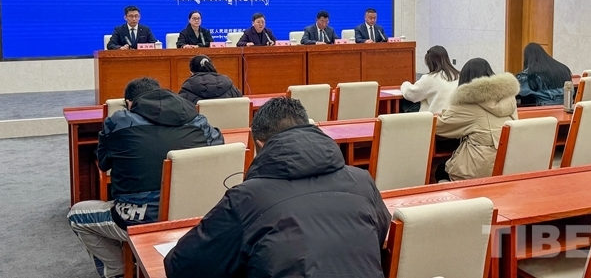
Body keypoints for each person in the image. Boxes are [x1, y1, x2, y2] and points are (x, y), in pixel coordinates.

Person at [164, 97, 391, 278]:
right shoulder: (362, 180)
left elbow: (182, 266)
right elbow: (380, 233)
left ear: (260, 145)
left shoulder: (247, 199)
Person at [67, 77, 223, 278]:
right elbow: (217, 151)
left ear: (129, 103)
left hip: (139, 219)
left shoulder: (118, 122)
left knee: (76, 215)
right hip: (195, 215)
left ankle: (119, 271)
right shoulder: (198, 121)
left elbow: (103, 164)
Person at [435, 58, 519, 181]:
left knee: (440, 170)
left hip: (480, 169)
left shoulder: (468, 103)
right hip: (509, 164)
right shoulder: (509, 99)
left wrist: (448, 109)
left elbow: (439, 126)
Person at [400, 45, 459, 113]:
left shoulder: (431, 78)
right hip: (455, 116)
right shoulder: (459, 75)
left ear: (430, 63)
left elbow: (410, 94)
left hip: (437, 117)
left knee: (407, 104)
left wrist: (405, 84)